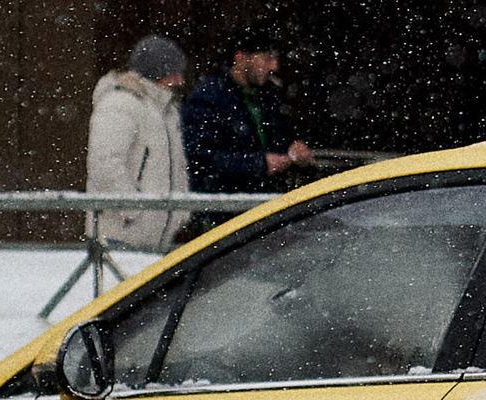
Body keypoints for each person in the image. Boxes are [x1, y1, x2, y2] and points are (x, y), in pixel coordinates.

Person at [84, 35, 190, 256]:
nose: (180, 81)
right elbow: (105, 164)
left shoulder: (167, 111)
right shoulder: (120, 105)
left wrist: (181, 213)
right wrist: (135, 210)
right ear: (158, 73)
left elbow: (177, 167)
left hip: (156, 239)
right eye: (174, 73)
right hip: (121, 238)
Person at [182, 26, 315, 195]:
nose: (273, 66)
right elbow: (198, 158)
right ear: (241, 58)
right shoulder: (209, 97)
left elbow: (276, 142)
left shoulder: (267, 97)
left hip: (261, 205)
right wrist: (257, 164)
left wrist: (293, 153)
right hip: (224, 208)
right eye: (267, 58)